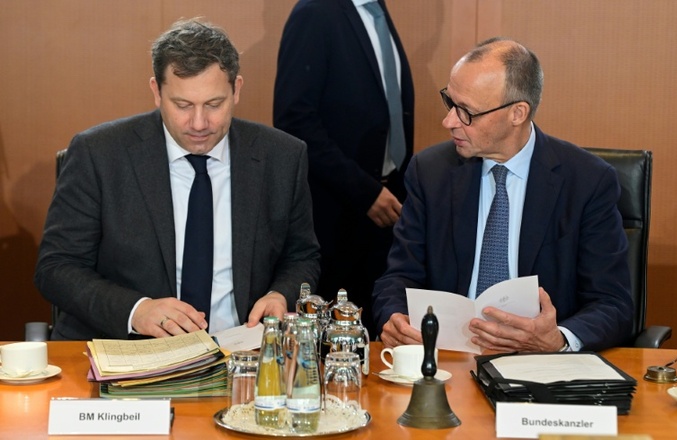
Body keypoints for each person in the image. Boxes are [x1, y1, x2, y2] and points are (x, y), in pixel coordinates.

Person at [34, 19, 320, 340]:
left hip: (242, 346)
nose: (199, 123)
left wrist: (280, 294)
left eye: (214, 104)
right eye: (182, 105)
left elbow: (302, 257)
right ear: (157, 92)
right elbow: (56, 268)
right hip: (129, 347)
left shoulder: (282, 157)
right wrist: (136, 310)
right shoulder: (98, 154)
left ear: (236, 89)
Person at [372, 37, 634, 353]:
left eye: (466, 112)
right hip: (445, 358)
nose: (449, 121)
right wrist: (394, 317)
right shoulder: (430, 172)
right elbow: (398, 277)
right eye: (450, 103)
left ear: (517, 113)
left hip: (538, 364)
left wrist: (558, 339)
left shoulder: (587, 181)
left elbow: (612, 302)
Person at [273, 0, 414, 335]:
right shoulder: (314, 13)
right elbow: (294, 120)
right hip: (338, 213)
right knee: (335, 340)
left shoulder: (376, 10)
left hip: (386, 206)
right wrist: (365, 192)